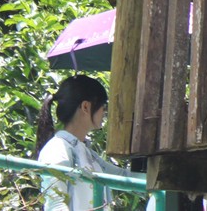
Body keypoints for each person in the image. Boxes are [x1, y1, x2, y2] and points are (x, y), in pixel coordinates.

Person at [34, 75, 134, 211]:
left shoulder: (86, 152)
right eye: (103, 106)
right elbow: (55, 205)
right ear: (86, 107)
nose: (105, 112)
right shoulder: (57, 149)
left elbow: (124, 178)